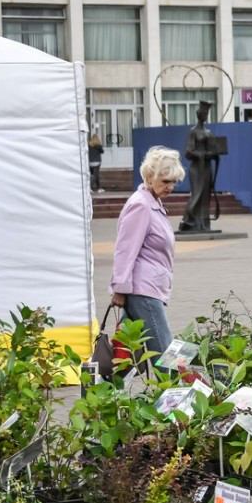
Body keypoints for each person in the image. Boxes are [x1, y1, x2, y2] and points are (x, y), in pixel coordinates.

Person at [110, 146, 184, 362]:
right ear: (150, 177)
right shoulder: (141, 206)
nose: (171, 187)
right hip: (143, 291)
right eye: (166, 181)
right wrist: (120, 289)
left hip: (148, 288)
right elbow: (125, 250)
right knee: (165, 355)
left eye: (174, 182)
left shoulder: (153, 203)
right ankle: (175, 394)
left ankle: (108, 392)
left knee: (126, 354)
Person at [181, 101, 218, 233]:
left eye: (207, 113)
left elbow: (214, 150)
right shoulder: (192, 132)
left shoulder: (209, 132)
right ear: (199, 114)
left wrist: (214, 155)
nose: (206, 115)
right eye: (204, 113)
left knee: (205, 196)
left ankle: (203, 224)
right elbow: (188, 152)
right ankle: (188, 221)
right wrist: (203, 155)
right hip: (196, 168)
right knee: (197, 194)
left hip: (207, 168)